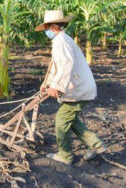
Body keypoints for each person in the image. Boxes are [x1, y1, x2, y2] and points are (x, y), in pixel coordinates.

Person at [35, 10, 106, 165]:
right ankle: (95, 145)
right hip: (79, 87)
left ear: (53, 26)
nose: (46, 31)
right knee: (71, 120)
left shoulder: (61, 41)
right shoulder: (62, 40)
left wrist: (57, 86)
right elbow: (57, 66)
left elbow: (67, 64)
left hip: (79, 89)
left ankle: (65, 156)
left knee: (61, 120)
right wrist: (48, 83)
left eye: (47, 27)